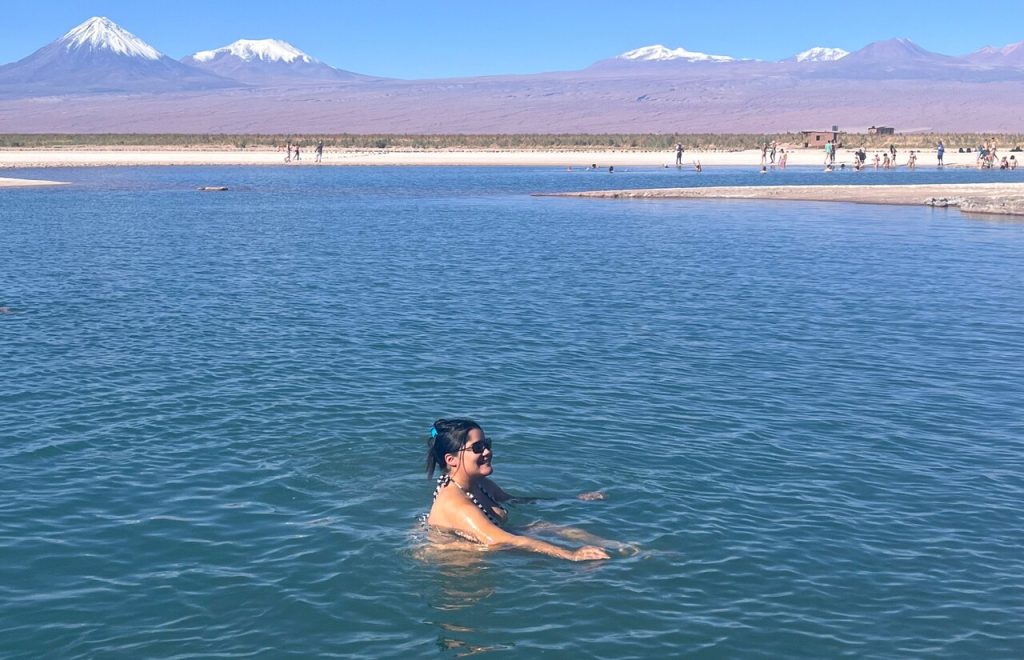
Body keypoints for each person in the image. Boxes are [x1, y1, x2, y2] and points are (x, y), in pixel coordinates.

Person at [424, 419, 611, 561]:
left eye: (487, 444)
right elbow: (501, 540)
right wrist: (570, 555)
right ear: (451, 460)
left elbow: (515, 500)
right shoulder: (458, 505)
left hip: (490, 542)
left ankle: (615, 546)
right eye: (478, 447)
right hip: (462, 564)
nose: (487, 452)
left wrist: (573, 499)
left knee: (544, 526)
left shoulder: (480, 484)